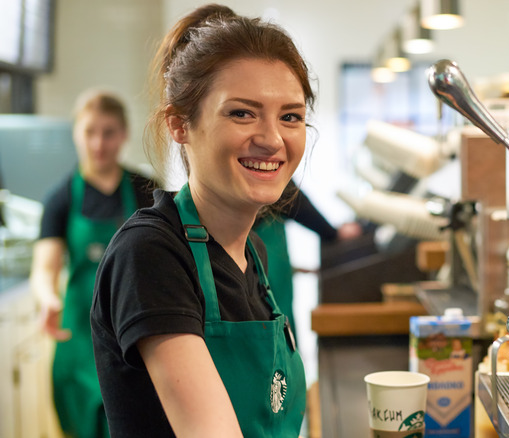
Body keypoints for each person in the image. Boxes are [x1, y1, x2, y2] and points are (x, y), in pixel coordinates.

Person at [90, 4, 315, 437]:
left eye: (290, 116)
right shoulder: (151, 253)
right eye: (242, 113)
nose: (271, 139)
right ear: (179, 124)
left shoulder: (253, 254)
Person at [29, 90, 156, 438]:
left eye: (109, 132)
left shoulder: (146, 191)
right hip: (78, 338)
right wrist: (48, 299)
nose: (99, 143)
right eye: (90, 132)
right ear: (76, 134)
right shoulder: (60, 198)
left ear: (124, 134)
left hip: (134, 337)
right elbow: (44, 267)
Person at [254, 181, 362, 338]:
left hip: (262, 239)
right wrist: (332, 233)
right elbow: (291, 196)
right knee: (273, 313)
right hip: (263, 238)